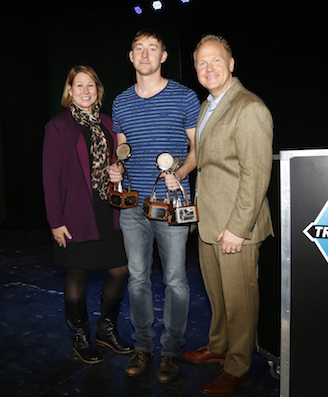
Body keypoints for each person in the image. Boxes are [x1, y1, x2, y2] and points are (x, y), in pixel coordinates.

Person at [181, 35, 274, 396]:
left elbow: (256, 175)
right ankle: (219, 347)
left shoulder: (249, 108)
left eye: (215, 60)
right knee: (218, 297)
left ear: (232, 64)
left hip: (236, 227)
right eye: (201, 63)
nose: (208, 69)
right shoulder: (209, 106)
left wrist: (238, 228)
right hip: (209, 221)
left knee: (240, 301)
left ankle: (239, 368)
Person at [110, 29, 200, 383]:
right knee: (137, 278)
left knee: (176, 280)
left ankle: (173, 351)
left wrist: (180, 172)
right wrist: (117, 170)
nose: (145, 54)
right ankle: (143, 346)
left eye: (153, 48)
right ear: (130, 57)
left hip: (173, 203)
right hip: (133, 206)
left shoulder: (185, 97)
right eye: (138, 49)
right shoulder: (120, 102)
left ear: (163, 56)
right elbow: (122, 149)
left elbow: (198, 149)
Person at [42, 65, 133, 365]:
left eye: (90, 85)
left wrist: (116, 171)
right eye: (78, 85)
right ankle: (80, 337)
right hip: (76, 213)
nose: (85, 90)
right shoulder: (57, 126)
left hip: (110, 211)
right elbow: (49, 177)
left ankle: (106, 331)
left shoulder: (108, 123)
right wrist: (55, 221)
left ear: (98, 91)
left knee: (121, 268)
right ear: (69, 91)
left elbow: (116, 165)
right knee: (77, 271)